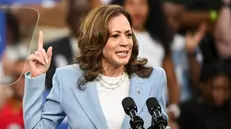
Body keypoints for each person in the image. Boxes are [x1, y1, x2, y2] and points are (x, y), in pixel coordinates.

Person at [23, 5, 168, 129]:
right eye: (115, 36)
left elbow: (161, 124)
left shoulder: (153, 78)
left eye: (128, 34)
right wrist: (36, 77)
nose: (125, 42)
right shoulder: (67, 79)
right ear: (96, 40)